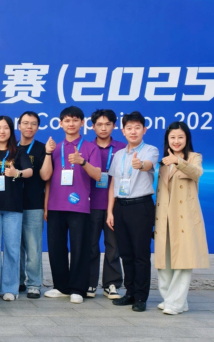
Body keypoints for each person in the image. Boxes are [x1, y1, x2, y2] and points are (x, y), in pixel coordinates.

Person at [41, 106, 102, 304]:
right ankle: (61, 286)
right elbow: (46, 177)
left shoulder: (90, 147)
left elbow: (98, 175)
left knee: (80, 248)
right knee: (56, 248)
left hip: (79, 206)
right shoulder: (55, 148)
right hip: (55, 206)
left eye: (75, 120)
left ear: (82, 123)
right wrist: (46, 206)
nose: (71, 124)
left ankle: (78, 288)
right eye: (67, 120)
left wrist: (82, 162)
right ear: (60, 123)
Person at [106, 111, 159, 312]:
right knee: (126, 253)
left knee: (140, 254)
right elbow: (113, 184)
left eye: (137, 127)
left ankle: (141, 297)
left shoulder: (150, 150)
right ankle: (129, 292)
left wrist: (141, 164)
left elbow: (148, 165)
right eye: (129, 128)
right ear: (123, 131)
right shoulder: (119, 155)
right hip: (120, 207)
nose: (133, 131)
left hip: (141, 206)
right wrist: (110, 211)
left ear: (144, 129)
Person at [155, 122, 208, 315]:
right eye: (172, 137)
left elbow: (197, 173)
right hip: (165, 218)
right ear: (167, 140)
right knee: (165, 261)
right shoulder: (163, 162)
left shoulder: (194, 157)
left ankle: (175, 303)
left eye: (180, 137)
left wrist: (178, 161)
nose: (176, 141)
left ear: (187, 139)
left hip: (185, 218)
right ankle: (172, 299)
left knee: (183, 261)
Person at [0, 116, 33, 301]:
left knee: (11, 249)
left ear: (11, 131)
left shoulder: (18, 153)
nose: (2, 131)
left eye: (6, 128)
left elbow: (30, 172)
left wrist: (17, 172)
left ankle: (10, 289)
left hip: (12, 209)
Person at [87, 109, 125, 300]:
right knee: (90, 245)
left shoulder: (123, 148)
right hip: (90, 204)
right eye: (99, 124)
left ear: (114, 126)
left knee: (113, 245)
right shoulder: (86, 148)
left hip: (115, 205)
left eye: (108, 124)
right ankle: (90, 283)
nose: (103, 128)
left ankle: (112, 284)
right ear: (92, 126)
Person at [16, 111, 47, 299]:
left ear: (37, 127)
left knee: (33, 246)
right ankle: (17, 280)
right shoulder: (11, 148)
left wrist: (46, 205)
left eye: (33, 123)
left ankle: (34, 283)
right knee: (15, 246)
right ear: (19, 126)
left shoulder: (42, 149)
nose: (29, 127)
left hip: (34, 204)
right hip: (12, 204)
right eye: (26, 123)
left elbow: (47, 179)